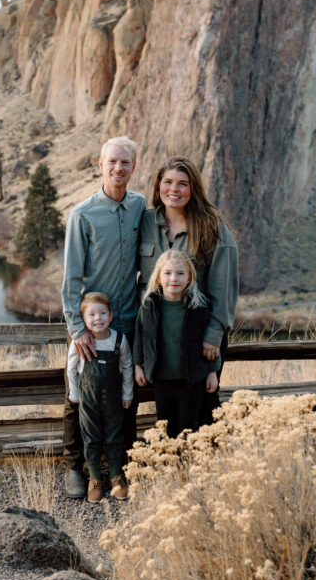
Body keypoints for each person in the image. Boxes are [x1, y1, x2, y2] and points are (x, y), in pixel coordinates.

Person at [62, 136, 146, 499]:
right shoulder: (82, 214)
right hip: (92, 327)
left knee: (126, 397)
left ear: (133, 167)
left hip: (127, 323)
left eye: (125, 162)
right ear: (100, 164)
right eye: (112, 162)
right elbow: (71, 278)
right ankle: (74, 467)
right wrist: (77, 328)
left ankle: (118, 469)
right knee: (77, 396)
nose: (118, 168)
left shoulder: (141, 206)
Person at [137, 157, 238, 424]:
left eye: (183, 183)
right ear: (158, 185)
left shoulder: (213, 227)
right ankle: (165, 460)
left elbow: (224, 288)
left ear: (193, 188)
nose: (174, 189)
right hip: (156, 336)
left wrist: (213, 336)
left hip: (199, 336)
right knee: (164, 413)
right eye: (168, 182)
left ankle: (203, 463)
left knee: (203, 410)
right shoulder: (144, 223)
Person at [133, 250, 219, 438]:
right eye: (168, 273)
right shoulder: (149, 306)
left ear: (189, 278)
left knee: (187, 429)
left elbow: (210, 343)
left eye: (180, 273)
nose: (174, 278)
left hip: (191, 380)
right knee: (166, 429)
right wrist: (137, 366)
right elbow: (141, 338)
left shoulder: (198, 307)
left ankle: (185, 465)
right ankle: (169, 464)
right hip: (162, 379)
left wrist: (213, 371)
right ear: (158, 277)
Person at [66, 292, 133, 502]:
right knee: (91, 438)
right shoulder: (81, 342)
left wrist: (127, 393)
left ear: (111, 315)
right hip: (88, 401)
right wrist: (74, 394)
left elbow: (127, 367)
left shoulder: (119, 340)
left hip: (114, 400)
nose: (98, 319)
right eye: (92, 315)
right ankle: (94, 479)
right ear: (84, 319)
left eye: (102, 313)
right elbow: (71, 369)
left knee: (115, 435)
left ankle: (116, 475)